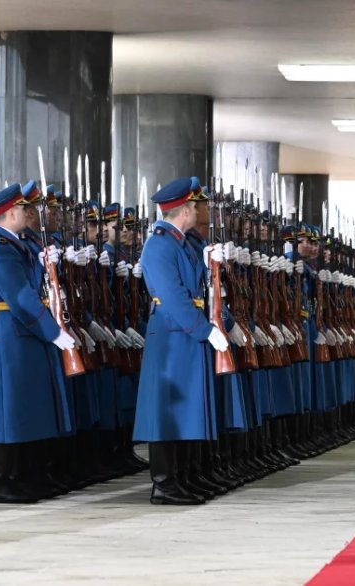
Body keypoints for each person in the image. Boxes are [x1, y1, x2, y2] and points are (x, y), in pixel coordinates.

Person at [0, 184, 76, 504]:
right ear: (11, 213)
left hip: (16, 334)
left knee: (21, 409)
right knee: (6, 411)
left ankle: (19, 476)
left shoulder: (14, 244)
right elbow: (20, 298)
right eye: (22, 209)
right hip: (7, 334)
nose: (27, 214)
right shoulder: (2, 247)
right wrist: (53, 331)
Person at [132, 177, 230, 505]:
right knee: (167, 414)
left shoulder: (181, 242)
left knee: (188, 411)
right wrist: (205, 330)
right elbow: (173, 298)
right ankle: (164, 483)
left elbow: (195, 290)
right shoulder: (159, 244)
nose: (201, 212)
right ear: (184, 209)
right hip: (174, 336)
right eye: (197, 206)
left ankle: (184, 477)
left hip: (185, 334)